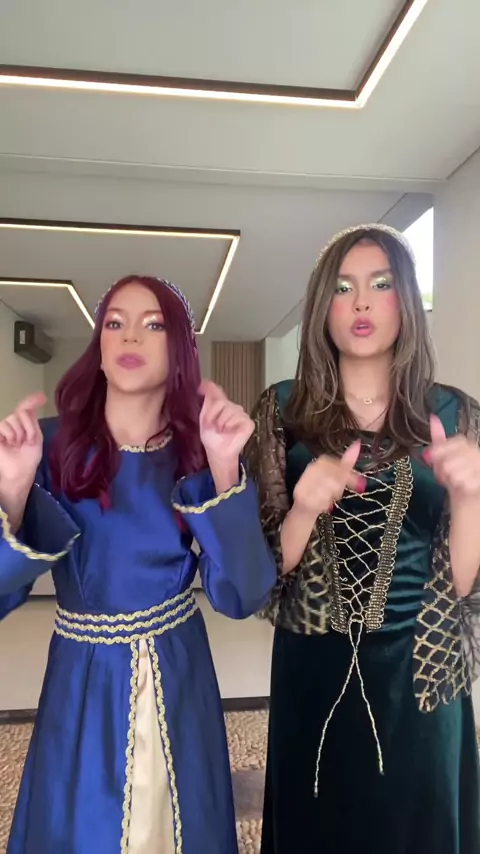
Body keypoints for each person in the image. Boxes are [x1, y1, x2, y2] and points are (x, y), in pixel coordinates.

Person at [0, 274, 277, 854]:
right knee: (80, 825)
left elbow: (243, 594)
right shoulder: (47, 447)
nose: (130, 336)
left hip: (179, 670)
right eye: (114, 322)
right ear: (99, 347)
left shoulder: (199, 450)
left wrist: (225, 468)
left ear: (180, 350)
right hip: (82, 676)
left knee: (184, 823)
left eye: (153, 324)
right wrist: (13, 490)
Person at [245, 224, 480, 854]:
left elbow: (463, 585)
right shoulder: (283, 411)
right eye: (343, 288)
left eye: (381, 284)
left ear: (407, 299)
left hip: (421, 672)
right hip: (312, 672)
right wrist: (303, 509)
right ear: (323, 307)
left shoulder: (454, 415)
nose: (362, 302)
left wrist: (469, 498)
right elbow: (261, 574)